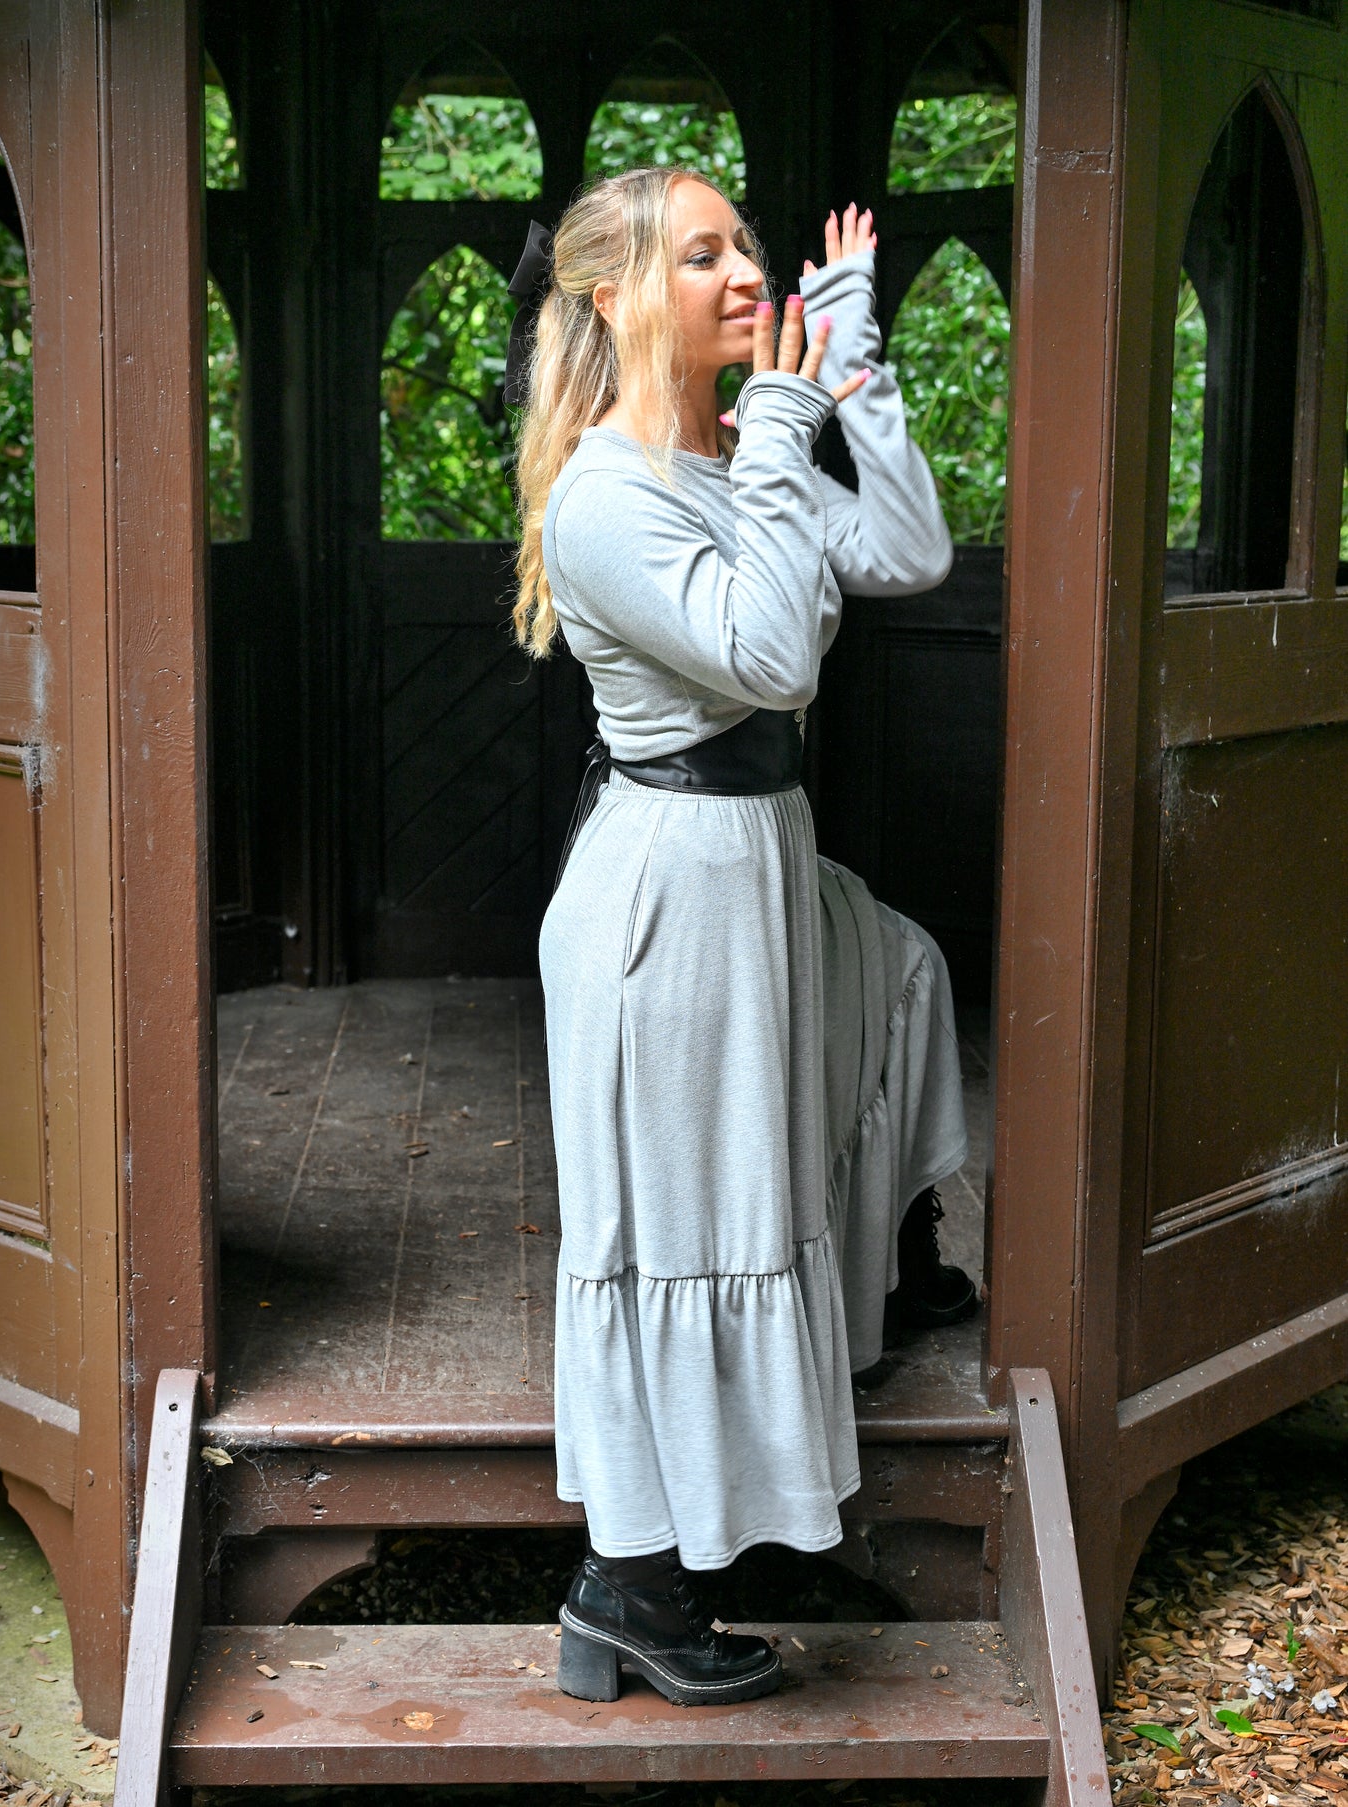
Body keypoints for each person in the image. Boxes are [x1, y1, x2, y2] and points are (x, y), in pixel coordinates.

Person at [510, 168, 973, 1709]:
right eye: (698, 252)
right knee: (682, 1220)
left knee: (896, 970)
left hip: (759, 855)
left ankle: (887, 1271)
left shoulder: (721, 452)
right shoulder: (606, 490)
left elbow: (905, 552)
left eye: (747, 250)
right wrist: (782, 427)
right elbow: (772, 658)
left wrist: (854, 369)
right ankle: (626, 1590)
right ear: (611, 293)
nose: (739, 272)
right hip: (671, 883)